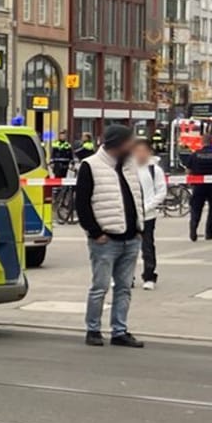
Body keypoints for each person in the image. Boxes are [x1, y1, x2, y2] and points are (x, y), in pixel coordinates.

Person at [75, 125, 147, 348]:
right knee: (100, 286)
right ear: (116, 144)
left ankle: (119, 331)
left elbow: (137, 196)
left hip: (130, 238)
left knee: (124, 287)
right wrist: (95, 232)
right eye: (129, 142)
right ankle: (93, 330)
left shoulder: (129, 166)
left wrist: (139, 228)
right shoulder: (91, 166)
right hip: (106, 240)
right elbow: (82, 203)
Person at [133, 139, 168, 290]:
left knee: (147, 246)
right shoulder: (127, 168)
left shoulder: (155, 170)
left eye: (143, 151)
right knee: (127, 248)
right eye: (137, 151)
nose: (140, 154)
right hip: (130, 215)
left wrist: (148, 207)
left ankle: (149, 276)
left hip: (148, 215)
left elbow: (161, 192)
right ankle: (126, 277)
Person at [184, 133, 212, 240]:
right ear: (211, 142)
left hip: (199, 187)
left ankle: (193, 230)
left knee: (196, 209)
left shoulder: (195, 155)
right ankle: (209, 233)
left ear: (202, 142)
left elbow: (188, 171)